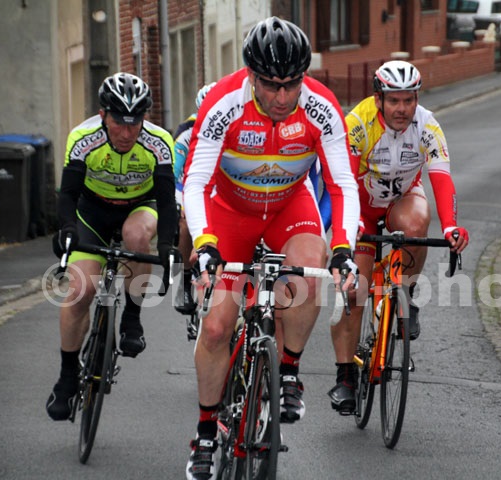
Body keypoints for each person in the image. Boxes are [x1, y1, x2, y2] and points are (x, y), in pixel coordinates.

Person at [182, 17, 360, 480]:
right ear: (251, 76)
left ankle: (288, 372)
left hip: (288, 206)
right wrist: (204, 244)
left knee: (310, 266)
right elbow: (196, 181)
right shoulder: (224, 104)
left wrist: (344, 247)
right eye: (270, 85)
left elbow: (343, 183)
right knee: (217, 326)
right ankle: (206, 432)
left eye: (292, 84)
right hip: (230, 212)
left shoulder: (321, 106)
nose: (282, 97)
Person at [327, 60, 470, 415]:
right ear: (378, 99)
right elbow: (342, 181)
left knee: (417, 226)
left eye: (409, 100)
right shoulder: (357, 124)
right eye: (394, 100)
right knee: (355, 291)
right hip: (361, 207)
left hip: (401, 200)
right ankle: (346, 377)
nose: (402, 108)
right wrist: (348, 225)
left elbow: (441, 177)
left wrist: (451, 226)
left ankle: (405, 293)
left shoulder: (427, 125)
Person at [45, 72, 177, 421]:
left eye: (135, 123)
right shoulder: (83, 137)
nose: (127, 133)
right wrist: (67, 230)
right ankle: (67, 375)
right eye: (118, 122)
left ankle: (132, 318)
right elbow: (68, 194)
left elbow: (167, 204)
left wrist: (166, 245)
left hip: (140, 206)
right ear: (103, 115)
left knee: (136, 237)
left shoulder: (159, 142)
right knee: (81, 289)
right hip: (92, 211)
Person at [173, 82, 217, 316]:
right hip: (187, 185)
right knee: (185, 223)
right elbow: (174, 173)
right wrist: (182, 205)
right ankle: (184, 278)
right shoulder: (187, 132)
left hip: (218, 188)